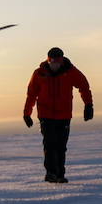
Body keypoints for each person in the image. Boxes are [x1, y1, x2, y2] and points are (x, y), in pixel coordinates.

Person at [23, 47, 94, 183]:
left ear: (61, 61)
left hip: (64, 115)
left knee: (61, 146)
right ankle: (51, 173)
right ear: (48, 61)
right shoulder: (39, 74)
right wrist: (27, 113)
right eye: (52, 63)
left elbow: (84, 86)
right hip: (45, 115)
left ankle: (60, 174)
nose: (55, 66)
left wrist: (88, 105)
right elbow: (31, 94)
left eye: (57, 63)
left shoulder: (70, 71)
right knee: (49, 144)